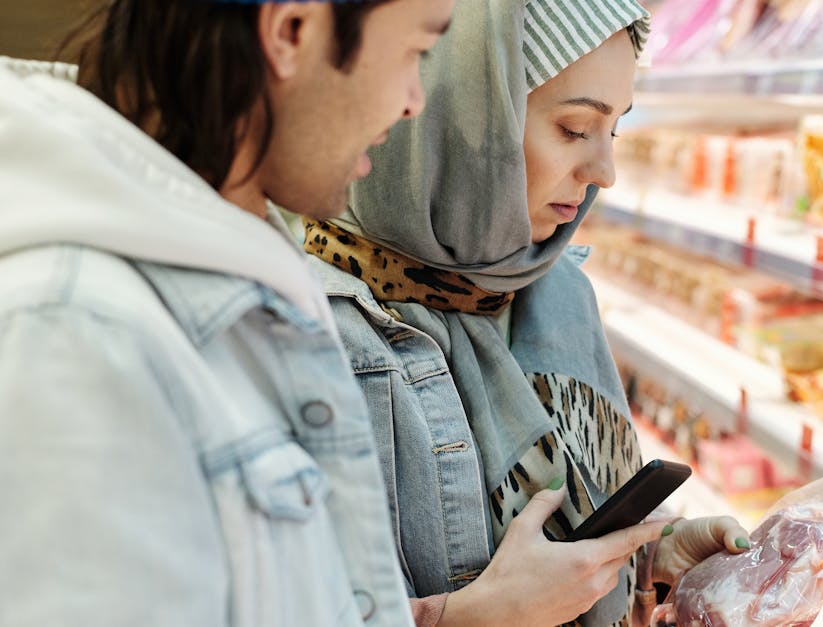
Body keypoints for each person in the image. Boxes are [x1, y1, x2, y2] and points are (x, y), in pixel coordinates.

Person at [0, 1, 452, 625]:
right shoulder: (73, 336)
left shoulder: (234, 270)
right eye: (415, 51)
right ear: (290, 30)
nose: (413, 100)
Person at [304, 2, 751, 625]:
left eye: (614, 129)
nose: (606, 173)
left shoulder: (557, 290)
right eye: (574, 129)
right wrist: (471, 618)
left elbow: (572, 538)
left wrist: (652, 558)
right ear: (460, 118)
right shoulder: (302, 329)